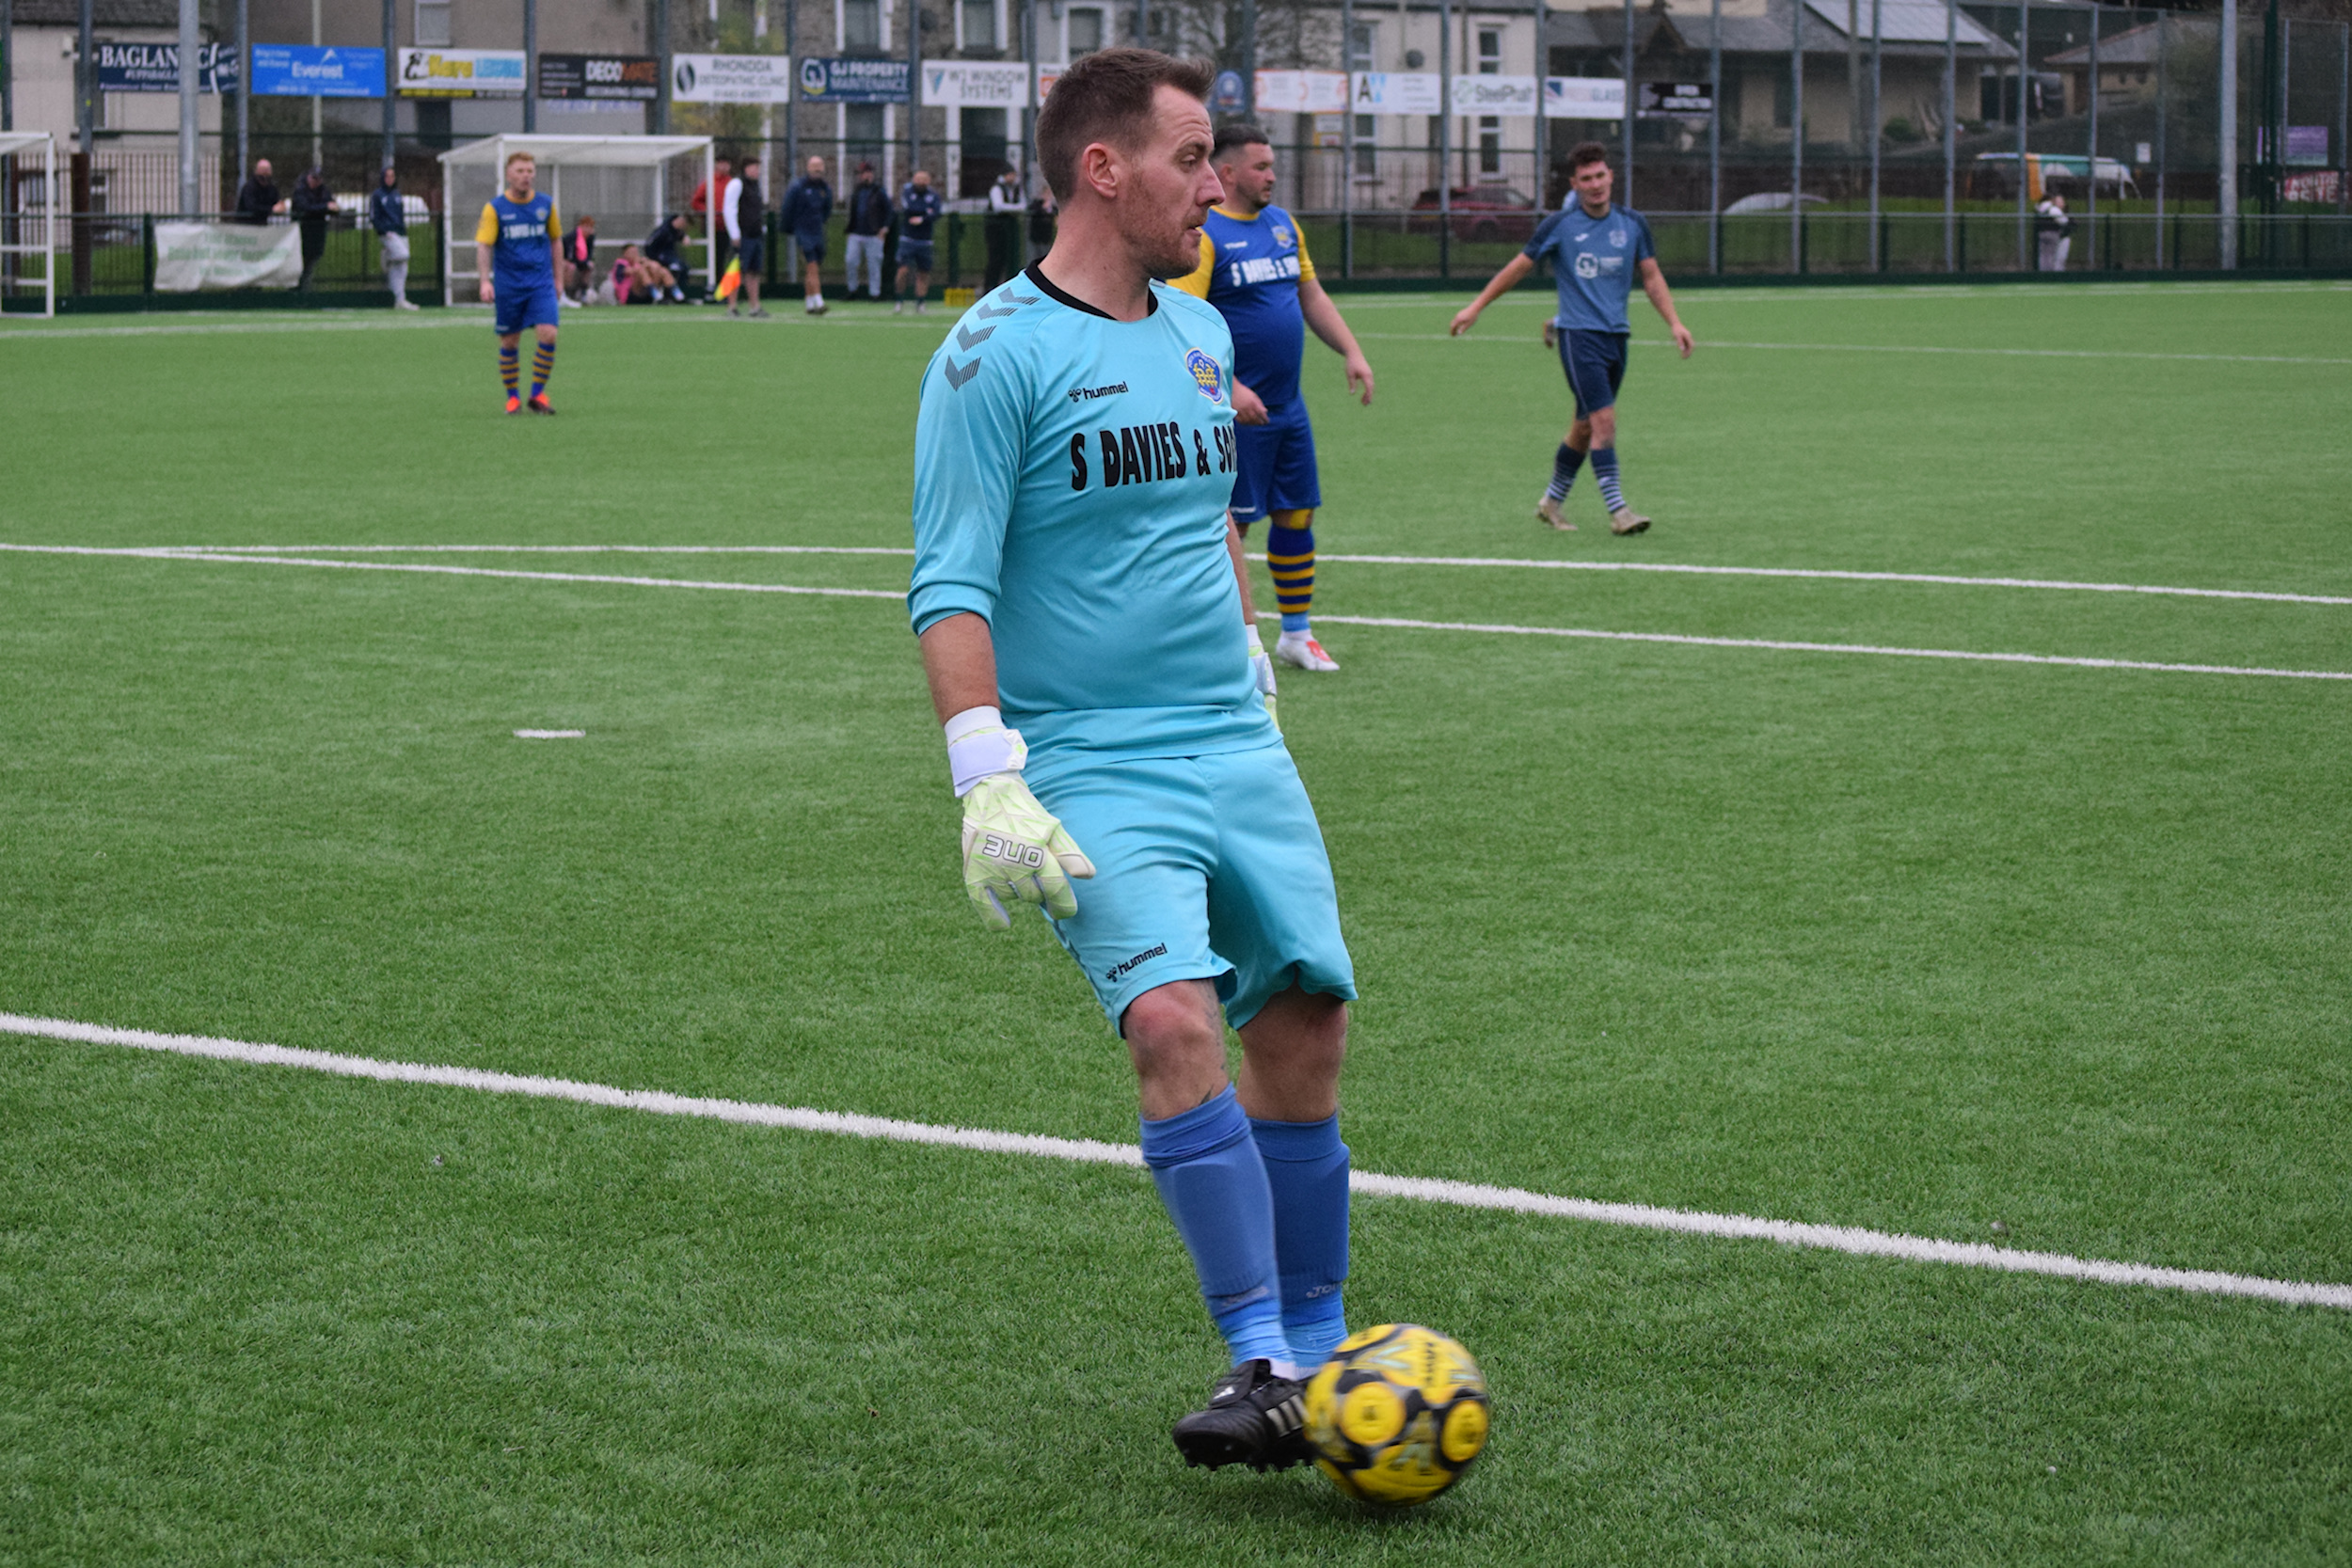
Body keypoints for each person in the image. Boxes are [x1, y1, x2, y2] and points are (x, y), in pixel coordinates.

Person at [909, 47, 1356, 1473]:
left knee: (1304, 1023)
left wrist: (1253, 679)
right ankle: (1265, 1355)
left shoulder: (1200, 334)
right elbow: (950, 582)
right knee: (1174, 1024)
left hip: (1234, 739)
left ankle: (1323, 1343)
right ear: (1105, 169)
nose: (1215, 182)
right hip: (1089, 760)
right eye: (1193, 155)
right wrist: (988, 774)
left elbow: (1206, 527)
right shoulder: (992, 353)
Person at [1171, 122, 1374, 674]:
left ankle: (1296, 634)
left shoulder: (1284, 226)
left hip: (1288, 407)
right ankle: (1220, 642)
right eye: (1261, 167)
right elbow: (1184, 320)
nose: (1272, 176)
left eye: (1273, 166)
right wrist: (1229, 387)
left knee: (1297, 513)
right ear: (1230, 172)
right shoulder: (1208, 232)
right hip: (1233, 413)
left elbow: (1309, 293)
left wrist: (1351, 350)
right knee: (1230, 528)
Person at [1450, 140, 1693, 536]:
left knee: (1583, 429)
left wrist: (1675, 323)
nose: (1595, 184)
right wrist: (1476, 307)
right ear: (1575, 184)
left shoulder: (1632, 224)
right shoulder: (1559, 226)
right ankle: (1620, 513)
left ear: (1611, 177)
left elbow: (1651, 278)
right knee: (1604, 423)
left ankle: (1551, 502)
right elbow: (1517, 268)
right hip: (1579, 338)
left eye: (1600, 175)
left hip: (1617, 338)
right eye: (1586, 179)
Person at [475, 150, 563, 414]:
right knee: (510, 341)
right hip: (509, 285)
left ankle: (537, 394)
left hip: (540, 283)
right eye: (520, 171)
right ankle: (513, 398)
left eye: (530, 171)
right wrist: (484, 281)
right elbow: (484, 245)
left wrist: (559, 279)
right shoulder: (495, 208)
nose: (526, 176)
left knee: (549, 333)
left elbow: (556, 241)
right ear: (508, 175)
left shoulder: (546, 205)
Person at [779, 154, 834, 314]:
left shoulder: (825, 188)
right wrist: (789, 228)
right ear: (808, 168)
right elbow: (787, 209)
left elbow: (827, 209)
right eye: (814, 166)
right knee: (812, 265)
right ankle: (819, 300)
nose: (817, 169)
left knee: (813, 267)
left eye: (820, 166)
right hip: (803, 230)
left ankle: (809, 303)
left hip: (817, 230)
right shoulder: (798, 187)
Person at [723, 157, 769, 318]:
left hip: (756, 236)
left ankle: (754, 306)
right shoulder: (737, 184)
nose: (757, 170)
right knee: (736, 271)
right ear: (746, 168)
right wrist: (735, 233)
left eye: (758, 167)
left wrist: (762, 227)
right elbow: (729, 209)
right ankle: (732, 306)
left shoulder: (756, 186)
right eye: (754, 167)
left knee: (754, 272)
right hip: (743, 236)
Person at [369, 166, 419, 310]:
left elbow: (400, 215)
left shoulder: (397, 194)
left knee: (401, 268)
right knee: (403, 255)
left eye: (392, 176)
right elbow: (374, 217)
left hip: (401, 233)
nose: (390, 179)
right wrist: (383, 231)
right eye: (387, 176)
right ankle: (387, 256)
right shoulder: (378, 195)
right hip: (388, 233)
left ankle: (400, 299)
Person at [894, 167, 942, 314]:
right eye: (918, 179)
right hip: (907, 239)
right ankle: (899, 300)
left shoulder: (933, 195)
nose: (921, 182)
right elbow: (910, 208)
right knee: (903, 270)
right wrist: (926, 212)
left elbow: (937, 213)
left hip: (925, 240)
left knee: (923, 273)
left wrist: (922, 219)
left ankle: (920, 302)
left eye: (924, 179)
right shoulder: (907, 193)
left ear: (928, 181)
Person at [844, 162, 893, 302]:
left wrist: (885, 228)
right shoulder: (856, 191)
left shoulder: (879, 191)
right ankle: (852, 289)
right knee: (850, 261)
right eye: (864, 173)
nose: (867, 175)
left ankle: (875, 293)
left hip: (873, 234)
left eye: (869, 172)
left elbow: (889, 211)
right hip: (856, 233)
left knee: (874, 265)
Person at [289, 167, 336, 291]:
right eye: (314, 178)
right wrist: (325, 207)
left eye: (319, 179)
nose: (317, 181)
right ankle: (298, 289)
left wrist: (331, 207)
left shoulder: (323, 190)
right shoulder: (300, 190)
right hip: (302, 232)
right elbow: (305, 208)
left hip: (317, 233)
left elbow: (332, 205)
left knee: (310, 263)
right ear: (309, 177)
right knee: (300, 263)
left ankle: (304, 288)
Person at [692, 155, 733, 289]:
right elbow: (696, 201)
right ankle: (716, 287)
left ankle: (730, 289)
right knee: (717, 259)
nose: (724, 167)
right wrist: (709, 212)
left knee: (732, 259)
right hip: (714, 228)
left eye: (726, 163)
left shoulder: (732, 183)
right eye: (721, 163)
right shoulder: (709, 182)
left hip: (730, 227)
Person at [984, 166, 1025, 289]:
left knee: (1012, 258)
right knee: (996, 258)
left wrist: (1012, 208)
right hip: (996, 228)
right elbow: (998, 207)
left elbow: (1023, 205)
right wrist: (1015, 208)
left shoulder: (1017, 188)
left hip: (1010, 228)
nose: (1013, 178)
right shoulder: (996, 188)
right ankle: (989, 288)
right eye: (1010, 175)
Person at [642, 214, 692, 301]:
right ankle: (669, 295)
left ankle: (676, 295)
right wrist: (653, 259)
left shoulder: (675, 231)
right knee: (673, 268)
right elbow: (649, 245)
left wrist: (683, 236)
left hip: (668, 257)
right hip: (659, 257)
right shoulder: (663, 231)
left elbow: (678, 235)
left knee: (682, 268)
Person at [233, 158, 285, 226]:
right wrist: (271, 210)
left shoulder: (272, 188)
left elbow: (277, 202)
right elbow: (251, 207)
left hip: (266, 226)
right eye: (263, 170)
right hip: (248, 226)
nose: (265, 176)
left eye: (267, 170)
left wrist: (281, 206)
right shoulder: (249, 188)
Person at [563, 214, 597, 301]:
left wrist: (587, 262)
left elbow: (589, 254)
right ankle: (568, 294)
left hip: (581, 262)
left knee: (589, 267)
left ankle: (583, 293)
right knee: (570, 267)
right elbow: (569, 256)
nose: (590, 230)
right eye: (587, 227)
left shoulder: (590, 238)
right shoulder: (572, 237)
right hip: (570, 261)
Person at [2037, 189, 2073, 272]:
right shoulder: (2052, 208)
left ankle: (2042, 271)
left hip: (2041, 232)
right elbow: (2063, 221)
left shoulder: (2039, 207)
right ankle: (2050, 272)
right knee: (2051, 254)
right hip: (2053, 233)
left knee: (2042, 254)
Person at [1025, 184, 1058, 262]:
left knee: (1045, 255)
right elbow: (1032, 211)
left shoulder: (1052, 207)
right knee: (1034, 256)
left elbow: (1056, 214)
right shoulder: (1036, 204)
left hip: (1046, 236)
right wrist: (1043, 208)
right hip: (1036, 236)